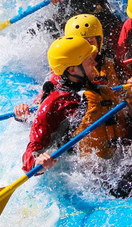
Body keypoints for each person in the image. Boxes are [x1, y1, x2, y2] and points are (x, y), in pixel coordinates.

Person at [14, 14, 132, 122]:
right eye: (81, 43)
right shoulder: (64, 73)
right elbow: (41, 104)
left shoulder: (113, 63)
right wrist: (24, 112)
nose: (86, 50)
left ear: (99, 42)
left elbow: (131, 84)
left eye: (90, 42)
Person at [22, 36, 99, 173]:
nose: (94, 63)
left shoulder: (95, 86)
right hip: (78, 170)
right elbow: (32, 151)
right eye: (89, 60)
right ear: (72, 70)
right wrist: (37, 163)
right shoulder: (52, 105)